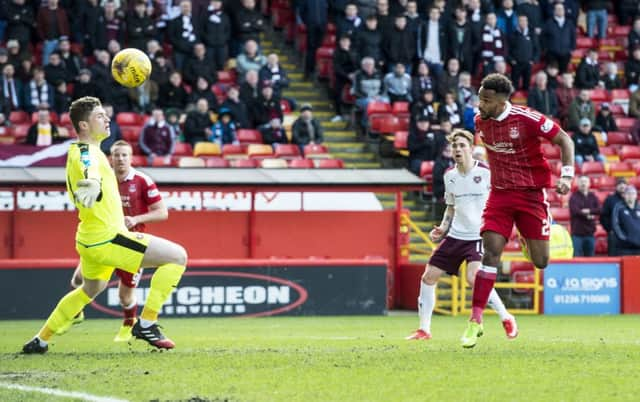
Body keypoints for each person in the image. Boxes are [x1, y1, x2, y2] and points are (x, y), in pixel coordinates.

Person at [22, 97, 187, 354]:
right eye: (100, 116)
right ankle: (147, 323)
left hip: (89, 239)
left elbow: (89, 169)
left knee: (89, 289)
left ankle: (41, 339)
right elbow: (90, 172)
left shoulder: (85, 151)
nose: (107, 119)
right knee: (177, 256)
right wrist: (94, 184)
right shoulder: (86, 154)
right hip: (108, 237)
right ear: (84, 125)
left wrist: (93, 183)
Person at [461, 74, 574, 348]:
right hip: (499, 195)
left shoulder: (528, 119)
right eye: (479, 98)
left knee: (541, 261)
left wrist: (567, 176)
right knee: (490, 252)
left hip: (531, 196)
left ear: (502, 101)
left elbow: (565, 140)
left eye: (486, 100)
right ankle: (475, 321)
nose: (480, 105)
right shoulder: (480, 121)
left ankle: (525, 236)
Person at [406, 129, 517, 341]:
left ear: (471, 148)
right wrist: (443, 227)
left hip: (478, 236)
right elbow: (450, 207)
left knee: (474, 279)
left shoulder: (486, 173)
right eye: (454, 146)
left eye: (461, 145)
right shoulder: (450, 176)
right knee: (428, 277)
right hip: (456, 235)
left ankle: (506, 317)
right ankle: (424, 330)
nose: (457, 149)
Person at [67, 140, 169, 342]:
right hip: (104, 239)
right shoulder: (102, 179)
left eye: (124, 155)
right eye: (116, 155)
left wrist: (136, 219)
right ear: (110, 158)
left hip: (130, 244)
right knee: (77, 280)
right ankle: (76, 311)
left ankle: (129, 324)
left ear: (131, 158)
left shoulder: (142, 180)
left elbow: (162, 212)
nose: (120, 159)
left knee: (125, 296)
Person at [569, 175, 600, 257]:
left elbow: (599, 210)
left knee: (590, 260)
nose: (583, 183)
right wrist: (588, 215)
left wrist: (589, 211)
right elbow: (575, 211)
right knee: (577, 259)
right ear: (578, 183)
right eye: (581, 181)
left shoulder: (593, 196)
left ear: (589, 184)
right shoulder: (573, 197)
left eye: (585, 181)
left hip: (590, 234)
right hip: (577, 234)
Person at [601, 178, 628, 256]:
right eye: (619, 184)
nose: (622, 186)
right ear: (616, 187)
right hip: (614, 235)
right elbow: (603, 217)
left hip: (628, 235)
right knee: (613, 257)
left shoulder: (630, 199)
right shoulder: (610, 200)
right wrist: (610, 230)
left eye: (624, 184)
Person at [612, 186, 640, 256]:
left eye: (633, 193)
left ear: (636, 195)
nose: (631, 196)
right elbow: (615, 224)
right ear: (624, 195)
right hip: (625, 247)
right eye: (628, 193)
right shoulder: (618, 207)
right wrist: (624, 239)